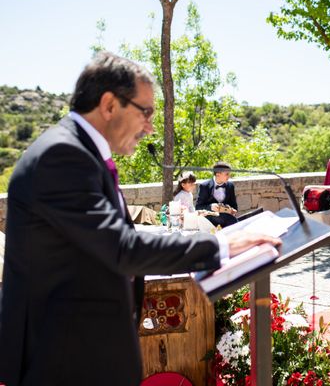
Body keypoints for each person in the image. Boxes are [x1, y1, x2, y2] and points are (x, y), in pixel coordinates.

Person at [0, 52, 281, 386]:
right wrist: (220, 245)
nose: (150, 127)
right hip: (65, 358)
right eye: (145, 112)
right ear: (109, 105)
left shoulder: (80, 154)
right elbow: (121, 246)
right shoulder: (62, 156)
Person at [196, 161, 239, 227]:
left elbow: (234, 206)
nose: (229, 176)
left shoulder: (230, 186)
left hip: (228, 221)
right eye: (227, 174)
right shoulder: (205, 186)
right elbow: (198, 207)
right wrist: (210, 207)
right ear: (217, 174)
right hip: (210, 222)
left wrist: (232, 210)